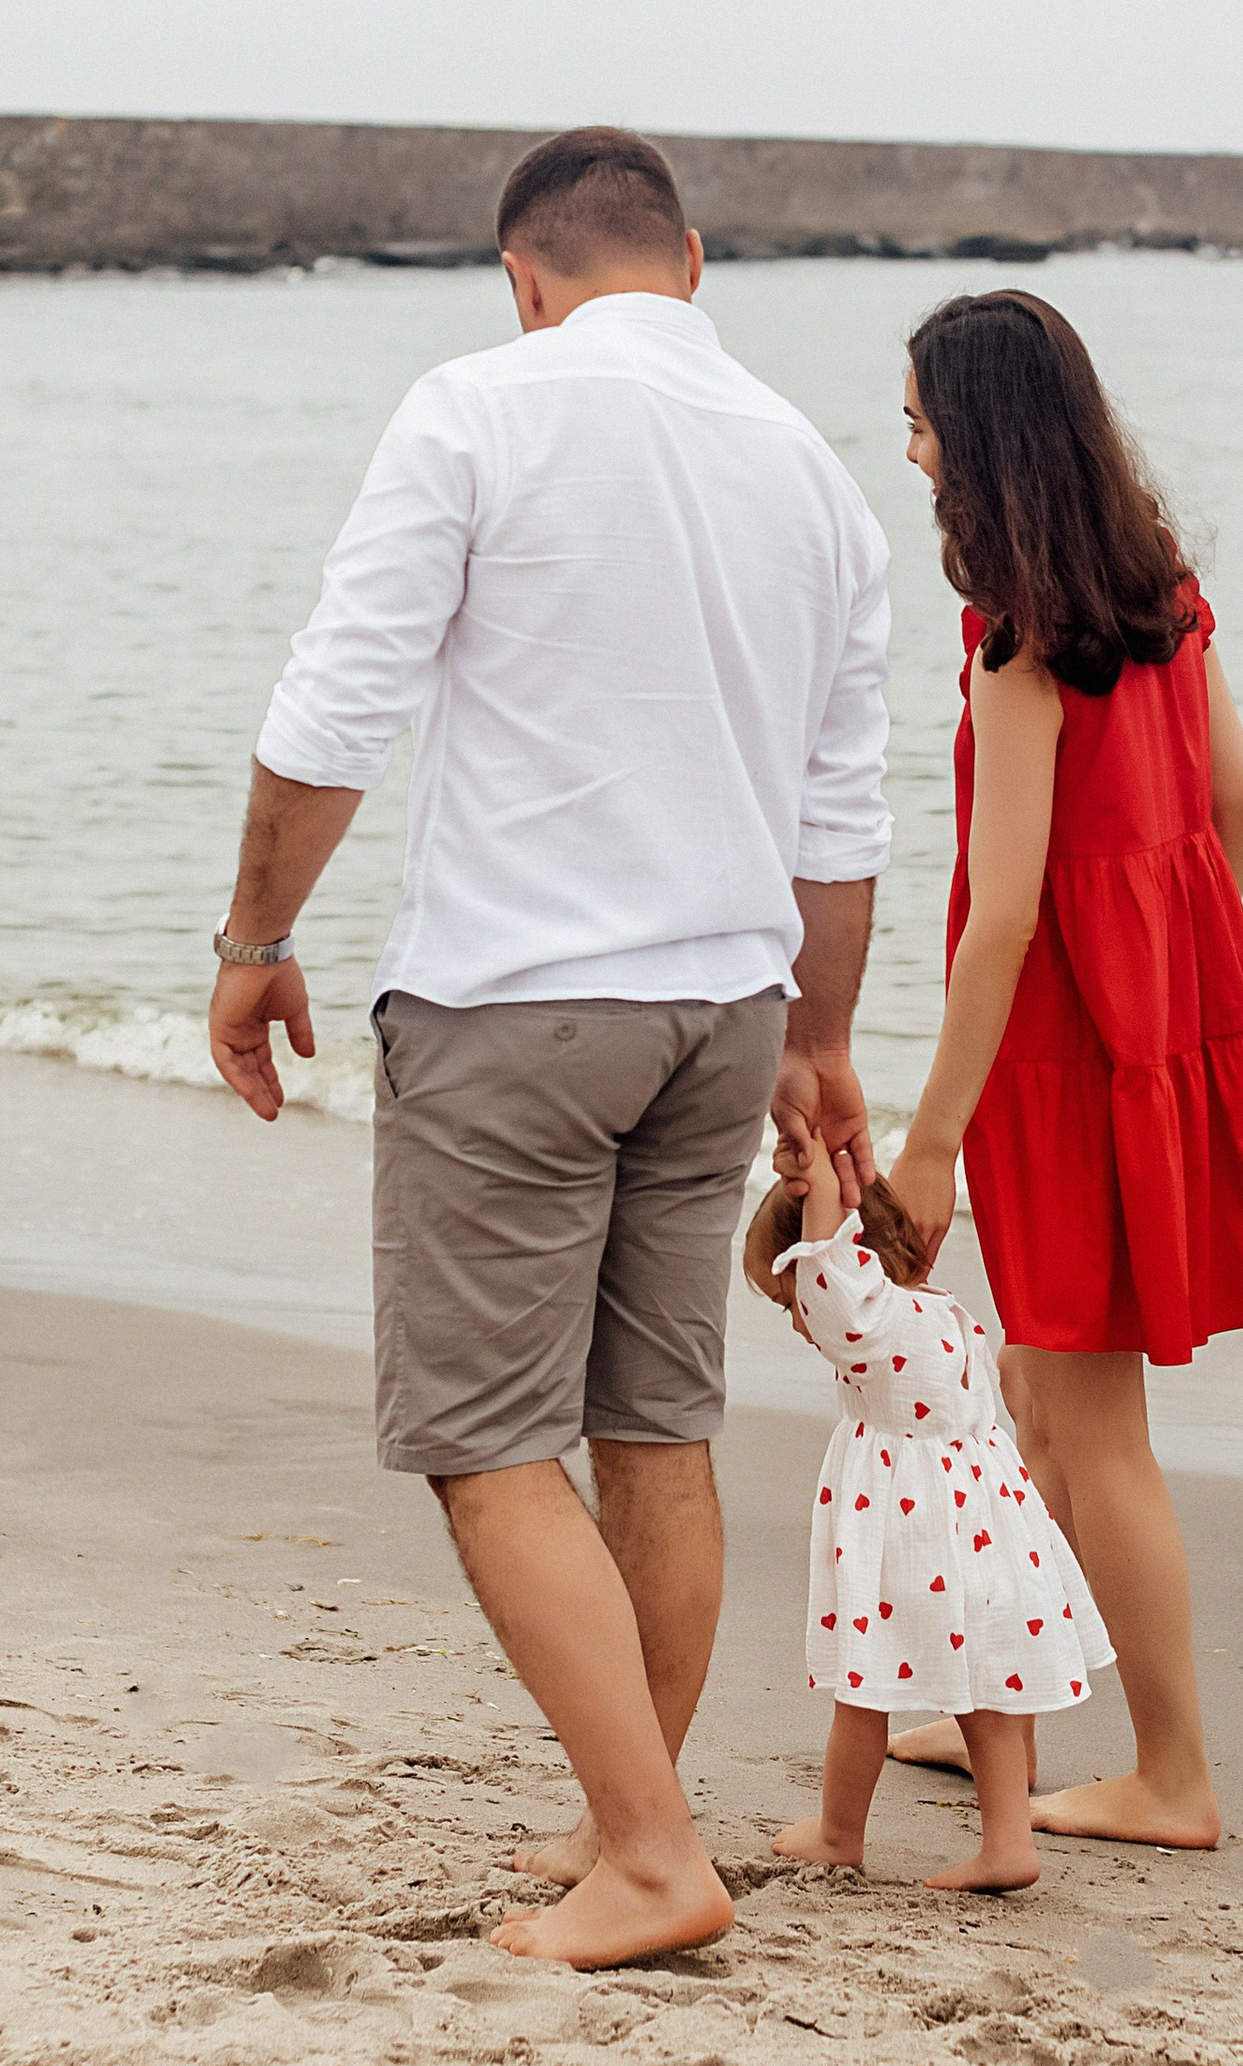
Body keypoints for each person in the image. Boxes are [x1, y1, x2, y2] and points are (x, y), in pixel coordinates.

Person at [207, 127, 892, 1969]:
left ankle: (656, 1858)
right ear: (695, 261)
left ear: (524, 279)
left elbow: (334, 708)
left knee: (489, 1440)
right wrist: (821, 1047)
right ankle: (628, 1828)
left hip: (518, 999)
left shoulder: (476, 409)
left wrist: (257, 940)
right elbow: (843, 820)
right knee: (653, 1425)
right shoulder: (818, 480)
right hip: (725, 1012)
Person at [884, 289, 1243, 1849]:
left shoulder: (1020, 644)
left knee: (1093, 1426)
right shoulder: (1165, 594)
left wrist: (930, 1139)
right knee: (1036, 1387)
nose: (915, 451)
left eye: (925, 422)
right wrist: (1177, 975)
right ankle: (1000, 1707)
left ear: (987, 443)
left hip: (1059, 1065)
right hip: (1148, 1041)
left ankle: (1174, 1776)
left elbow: (1002, 913)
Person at [742, 1135, 1112, 1895]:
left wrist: (816, 1181)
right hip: (987, 1521)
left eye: (790, 1300)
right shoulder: (943, 1311)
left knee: (863, 1684)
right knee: (987, 1693)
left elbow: (831, 1277)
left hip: (915, 1530)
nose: (796, 1321)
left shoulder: (868, 1327)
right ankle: (1007, 1842)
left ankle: (839, 1834)